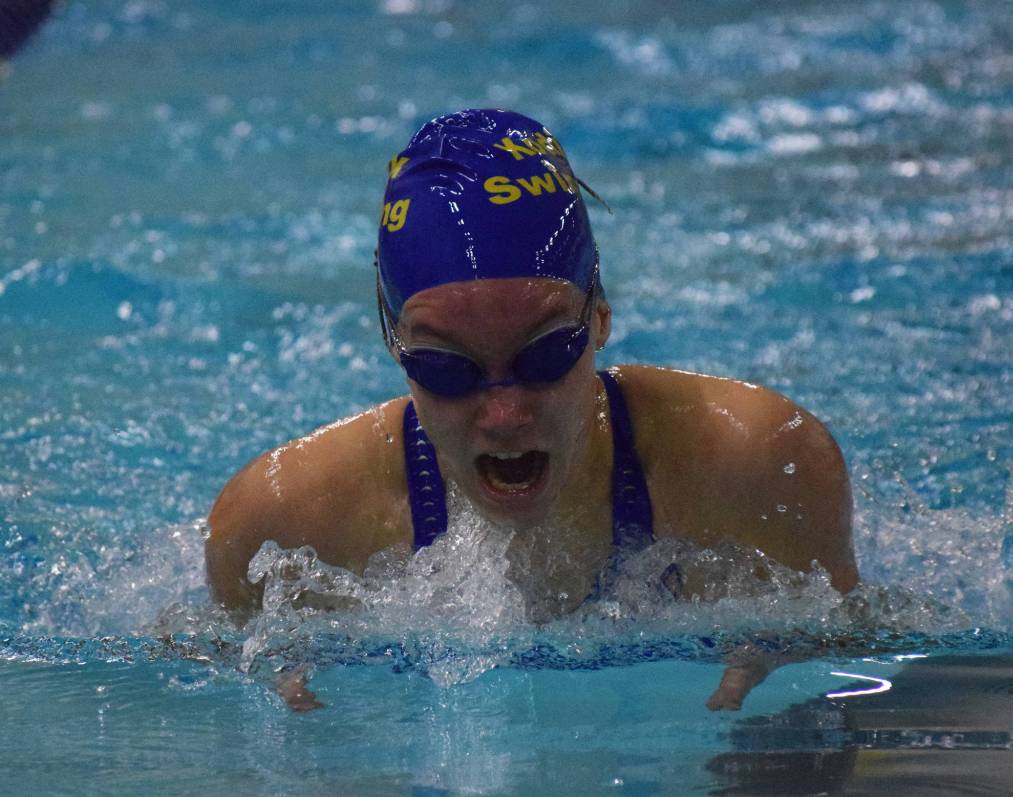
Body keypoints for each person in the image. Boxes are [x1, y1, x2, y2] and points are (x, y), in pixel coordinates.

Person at [206, 108, 858, 711]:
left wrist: (800, 663)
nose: (504, 413)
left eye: (544, 353)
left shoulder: (761, 467)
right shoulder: (283, 526)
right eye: (448, 367)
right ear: (396, 348)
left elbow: (859, 667)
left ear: (600, 320)